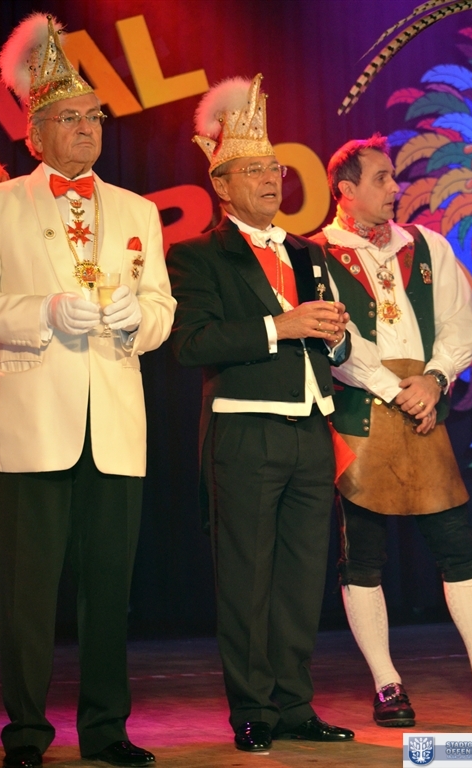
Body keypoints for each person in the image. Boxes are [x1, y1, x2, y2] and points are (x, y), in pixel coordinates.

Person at [0, 14, 176, 768]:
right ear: (34, 133)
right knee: (27, 593)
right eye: (69, 117)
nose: (86, 128)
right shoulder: (2, 206)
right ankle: (25, 733)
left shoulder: (137, 209)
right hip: (33, 420)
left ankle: (106, 729)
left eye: (94, 116)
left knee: (109, 590)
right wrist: (39, 312)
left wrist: (141, 320)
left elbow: (163, 308)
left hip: (116, 423)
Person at [166, 74, 355, 753]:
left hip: (310, 428)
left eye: (274, 168)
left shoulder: (307, 251)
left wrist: (336, 334)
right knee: (246, 577)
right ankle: (252, 708)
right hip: (244, 430)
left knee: (303, 577)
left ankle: (294, 703)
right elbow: (192, 343)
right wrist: (282, 326)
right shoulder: (197, 255)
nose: (272, 179)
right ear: (221, 185)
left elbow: (332, 342)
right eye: (254, 170)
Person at [312, 134, 472, 727]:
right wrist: (397, 388)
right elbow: (334, 339)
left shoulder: (426, 245)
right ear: (345, 190)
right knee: (362, 555)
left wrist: (435, 379)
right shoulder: (316, 254)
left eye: (394, 176)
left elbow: (459, 325)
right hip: (360, 413)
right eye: (382, 178)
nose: (395, 188)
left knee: (457, 545)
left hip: (424, 407)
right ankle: (387, 684)